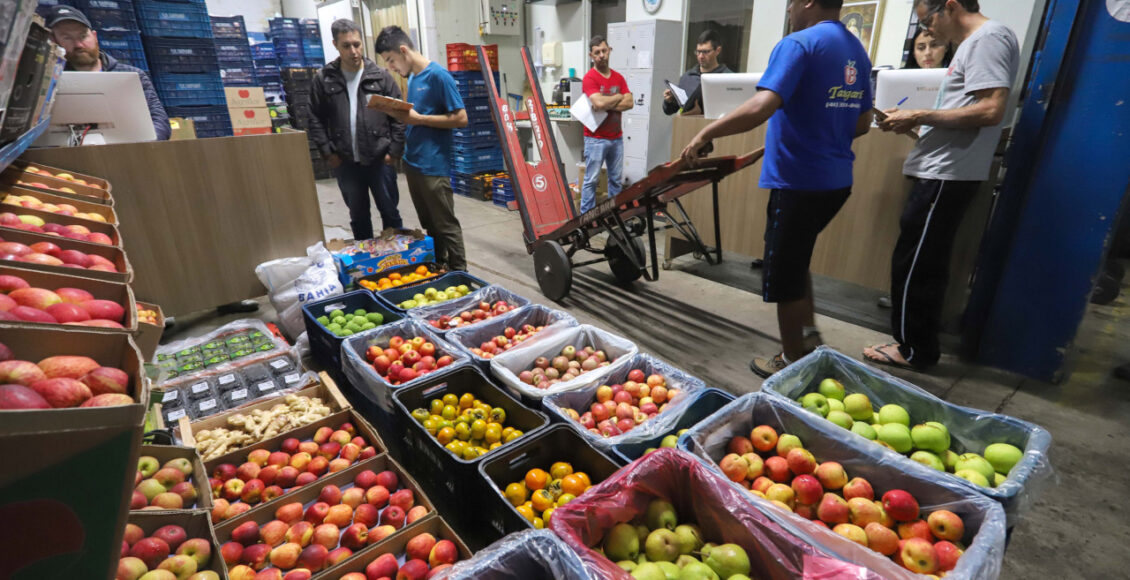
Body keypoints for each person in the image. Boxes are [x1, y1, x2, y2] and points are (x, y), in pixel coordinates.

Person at [681, 0, 874, 378]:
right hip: (836, 182)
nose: (787, 10)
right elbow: (863, 123)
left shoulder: (799, 44)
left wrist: (707, 131)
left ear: (808, 2)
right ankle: (810, 337)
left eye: (789, 3)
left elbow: (761, 106)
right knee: (798, 258)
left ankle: (790, 362)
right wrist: (821, 132)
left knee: (783, 273)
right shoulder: (855, 50)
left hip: (799, 180)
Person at [864, 0, 1019, 371]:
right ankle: (914, 343)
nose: (929, 31)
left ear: (949, 6)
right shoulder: (977, 43)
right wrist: (917, 126)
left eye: (928, 21)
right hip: (944, 170)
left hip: (947, 175)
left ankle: (914, 349)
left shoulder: (987, 38)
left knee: (916, 265)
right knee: (923, 261)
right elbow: (969, 111)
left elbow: (990, 110)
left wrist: (919, 113)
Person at [374, 26, 469, 271]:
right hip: (413, 162)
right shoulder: (414, 78)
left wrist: (420, 120)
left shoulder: (439, 76)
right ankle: (440, 267)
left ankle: (461, 274)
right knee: (430, 225)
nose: (391, 67)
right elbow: (416, 116)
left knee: (446, 225)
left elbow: (461, 119)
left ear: (404, 50)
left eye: (391, 60)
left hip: (434, 165)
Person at [307, 19, 405, 241]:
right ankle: (367, 264)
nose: (354, 51)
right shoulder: (324, 79)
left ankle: (398, 262)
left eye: (357, 44)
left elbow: (398, 116)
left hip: (381, 159)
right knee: (359, 216)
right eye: (346, 46)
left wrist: (395, 151)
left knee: (390, 213)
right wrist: (328, 152)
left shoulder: (380, 76)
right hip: (346, 162)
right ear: (335, 45)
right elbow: (314, 117)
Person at [877, 28, 953, 309]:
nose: (928, 53)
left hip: (942, 170)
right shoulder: (903, 81)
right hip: (915, 165)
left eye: (935, 45)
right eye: (921, 47)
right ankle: (902, 297)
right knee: (908, 238)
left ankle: (913, 306)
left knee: (927, 246)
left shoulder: (955, 82)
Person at [46, 5, 169, 141]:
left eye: (83, 36)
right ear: (54, 42)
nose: (79, 44)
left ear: (94, 36)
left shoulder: (131, 75)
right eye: (67, 38)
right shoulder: (50, 81)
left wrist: (145, 145)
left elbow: (159, 121)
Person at [580, 35, 633, 214]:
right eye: (597, 53)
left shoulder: (619, 78)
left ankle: (614, 215)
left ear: (609, 50)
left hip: (616, 138)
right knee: (592, 180)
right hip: (595, 139)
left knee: (615, 180)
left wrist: (607, 100)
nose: (601, 55)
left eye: (604, 50)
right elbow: (599, 104)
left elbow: (630, 103)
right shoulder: (590, 78)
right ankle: (585, 218)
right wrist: (618, 97)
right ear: (591, 56)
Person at [663, 29, 734, 116]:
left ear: (717, 51)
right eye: (698, 52)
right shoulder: (687, 77)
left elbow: (733, 113)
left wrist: (699, 114)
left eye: (705, 52)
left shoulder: (729, 78)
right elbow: (670, 110)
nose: (700, 56)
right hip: (686, 127)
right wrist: (670, 101)